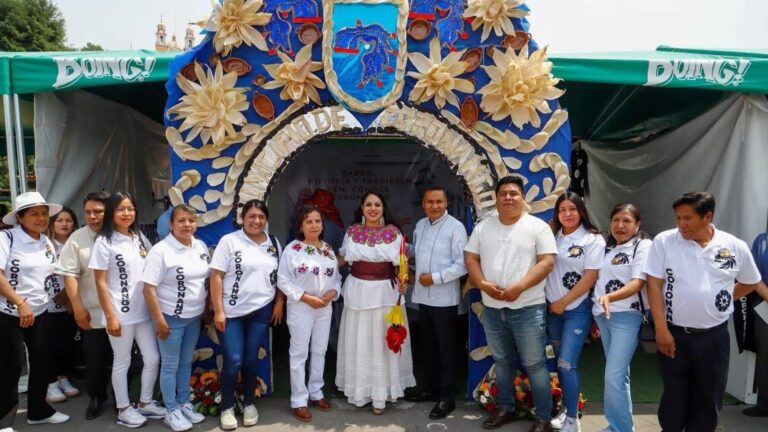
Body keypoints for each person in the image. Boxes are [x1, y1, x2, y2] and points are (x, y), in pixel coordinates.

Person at [644, 192, 762, 432]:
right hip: (674, 335)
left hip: (714, 338)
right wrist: (661, 329)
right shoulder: (665, 241)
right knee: (674, 397)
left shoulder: (733, 246)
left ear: (707, 217)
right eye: (677, 218)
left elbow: (751, 281)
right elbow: (653, 284)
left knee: (708, 397)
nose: (681, 224)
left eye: (687, 218)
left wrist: (724, 298)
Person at [464, 175, 557, 432]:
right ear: (496, 198)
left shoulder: (537, 227)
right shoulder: (484, 227)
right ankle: (506, 407)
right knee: (503, 360)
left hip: (528, 308)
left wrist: (519, 287)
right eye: (503, 193)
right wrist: (482, 284)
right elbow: (470, 257)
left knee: (535, 363)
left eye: (514, 193)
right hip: (492, 309)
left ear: (523, 197)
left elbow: (547, 261)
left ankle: (544, 417)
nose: (508, 198)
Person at [89, 192, 166, 428]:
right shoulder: (104, 242)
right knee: (121, 361)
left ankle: (145, 402)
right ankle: (123, 408)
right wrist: (110, 315)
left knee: (152, 358)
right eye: (121, 209)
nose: (126, 213)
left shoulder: (139, 237)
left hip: (144, 311)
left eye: (130, 209)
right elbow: (100, 282)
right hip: (120, 314)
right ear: (112, 212)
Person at [335, 191, 415, 414]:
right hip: (358, 290)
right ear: (361, 207)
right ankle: (360, 392)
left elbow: (402, 262)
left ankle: (381, 394)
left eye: (377, 204)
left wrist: (404, 282)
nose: (373, 208)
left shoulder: (393, 232)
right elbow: (342, 258)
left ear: (383, 207)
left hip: (385, 293)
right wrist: (321, 259)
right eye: (368, 204)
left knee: (382, 341)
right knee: (360, 339)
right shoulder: (352, 232)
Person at [209, 199, 284, 430]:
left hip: (261, 311)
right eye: (251, 216)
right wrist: (219, 311)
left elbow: (281, 276)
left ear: (266, 220)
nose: (256, 221)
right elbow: (216, 276)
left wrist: (279, 302)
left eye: (261, 217)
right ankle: (227, 408)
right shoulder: (230, 241)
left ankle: (249, 403)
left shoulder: (273, 243)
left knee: (251, 359)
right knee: (233, 360)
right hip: (231, 313)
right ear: (243, 218)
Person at [0, 191, 70, 428]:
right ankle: (4, 421)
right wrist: (20, 303)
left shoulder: (45, 241)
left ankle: (38, 411)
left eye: (44, 213)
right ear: (20, 217)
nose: (41, 218)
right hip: (9, 313)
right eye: (34, 214)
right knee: (11, 367)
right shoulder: (6, 238)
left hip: (40, 312)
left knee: (42, 362)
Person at [143, 204, 209, 431]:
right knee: (170, 365)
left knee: (185, 362)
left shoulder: (199, 246)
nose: (187, 225)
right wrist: (160, 320)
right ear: (170, 224)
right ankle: (170, 410)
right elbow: (148, 289)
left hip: (194, 316)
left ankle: (183, 403)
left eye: (191, 220)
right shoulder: (160, 251)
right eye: (181, 221)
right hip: (170, 318)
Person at [406, 186, 467, 419]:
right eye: (430, 202)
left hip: (444, 299)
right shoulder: (420, 226)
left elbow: (461, 264)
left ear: (446, 203)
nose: (434, 206)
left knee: (446, 348)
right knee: (428, 346)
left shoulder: (455, 227)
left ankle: (446, 396)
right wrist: (401, 248)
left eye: (439, 202)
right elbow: (416, 253)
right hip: (423, 297)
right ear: (423, 204)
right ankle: (430, 389)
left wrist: (436, 278)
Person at [545, 192, 604, 432]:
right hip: (552, 309)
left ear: (581, 212)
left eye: (572, 209)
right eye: (562, 210)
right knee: (560, 363)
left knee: (568, 363)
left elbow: (591, 277)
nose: (567, 214)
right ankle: (565, 409)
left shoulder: (592, 240)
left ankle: (572, 418)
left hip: (576, 309)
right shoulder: (552, 236)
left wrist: (563, 302)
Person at [277, 205, 341, 422]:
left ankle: (316, 392)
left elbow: (337, 277)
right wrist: (306, 297)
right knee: (299, 354)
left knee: (320, 351)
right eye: (309, 221)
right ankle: (299, 400)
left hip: (324, 307)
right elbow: (283, 280)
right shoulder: (292, 249)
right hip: (302, 308)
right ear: (301, 225)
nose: (314, 225)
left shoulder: (328, 249)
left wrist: (334, 292)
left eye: (317, 221)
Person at [592, 203, 652, 432]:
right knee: (619, 376)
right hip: (602, 317)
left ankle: (620, 430)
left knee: (613, 377)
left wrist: (610, 297)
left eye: (627, 221)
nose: (620, 225)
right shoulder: (607, 247)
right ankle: (617, 426)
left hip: (627, 316)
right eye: (616, 220)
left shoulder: (643, 246)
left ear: (637, 225)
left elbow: (639, 282)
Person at [56, 191, 113, 419]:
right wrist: (78, 307)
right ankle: (97, 397)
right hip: (93, 312)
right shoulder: (78, 238)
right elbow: (69, 276)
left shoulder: (126, 234)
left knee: (125, 359)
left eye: (98, 211)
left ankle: (125, 399)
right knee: (95, 359)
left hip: (126, 313)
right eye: (88, 212)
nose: (92, 216)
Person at [44, 207, 81, 404]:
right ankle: (50, 384)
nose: (64, 224)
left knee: (68, 344)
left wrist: (70, 299)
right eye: (60, 220)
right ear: (52, 224)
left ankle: (63, 377)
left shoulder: (76, 245)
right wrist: (62, 298)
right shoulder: (46, 246)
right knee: (51, 345)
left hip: (74, 303)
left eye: (68, 220)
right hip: (50, 305)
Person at [742, 233, 768, 417]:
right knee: (765, 357)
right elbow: (754, 277)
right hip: (765, 307)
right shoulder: (762, 241)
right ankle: (765, 403)